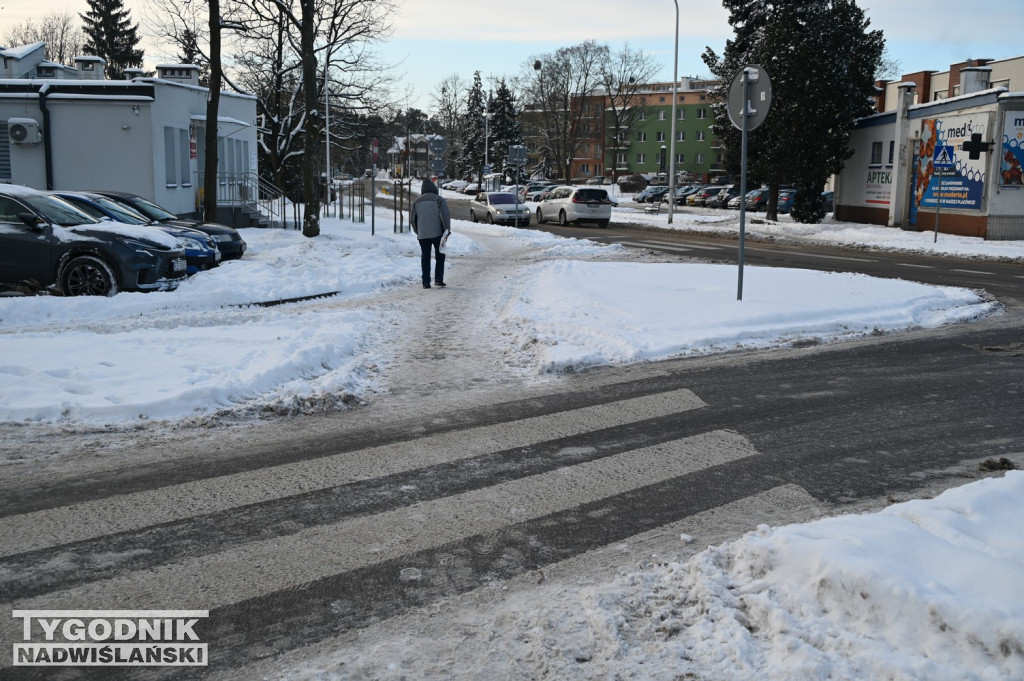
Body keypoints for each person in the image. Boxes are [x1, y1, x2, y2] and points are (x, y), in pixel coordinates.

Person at [411, 178, 451, 288]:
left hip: (422, 235)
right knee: (440, 256)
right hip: (437, 233)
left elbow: (413, 219)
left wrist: (418, 231)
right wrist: (446, 231)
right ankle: (438, 279)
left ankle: (426, 283)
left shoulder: (416, 202)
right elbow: (445, 217)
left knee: (425, 258)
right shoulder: (439, 200)